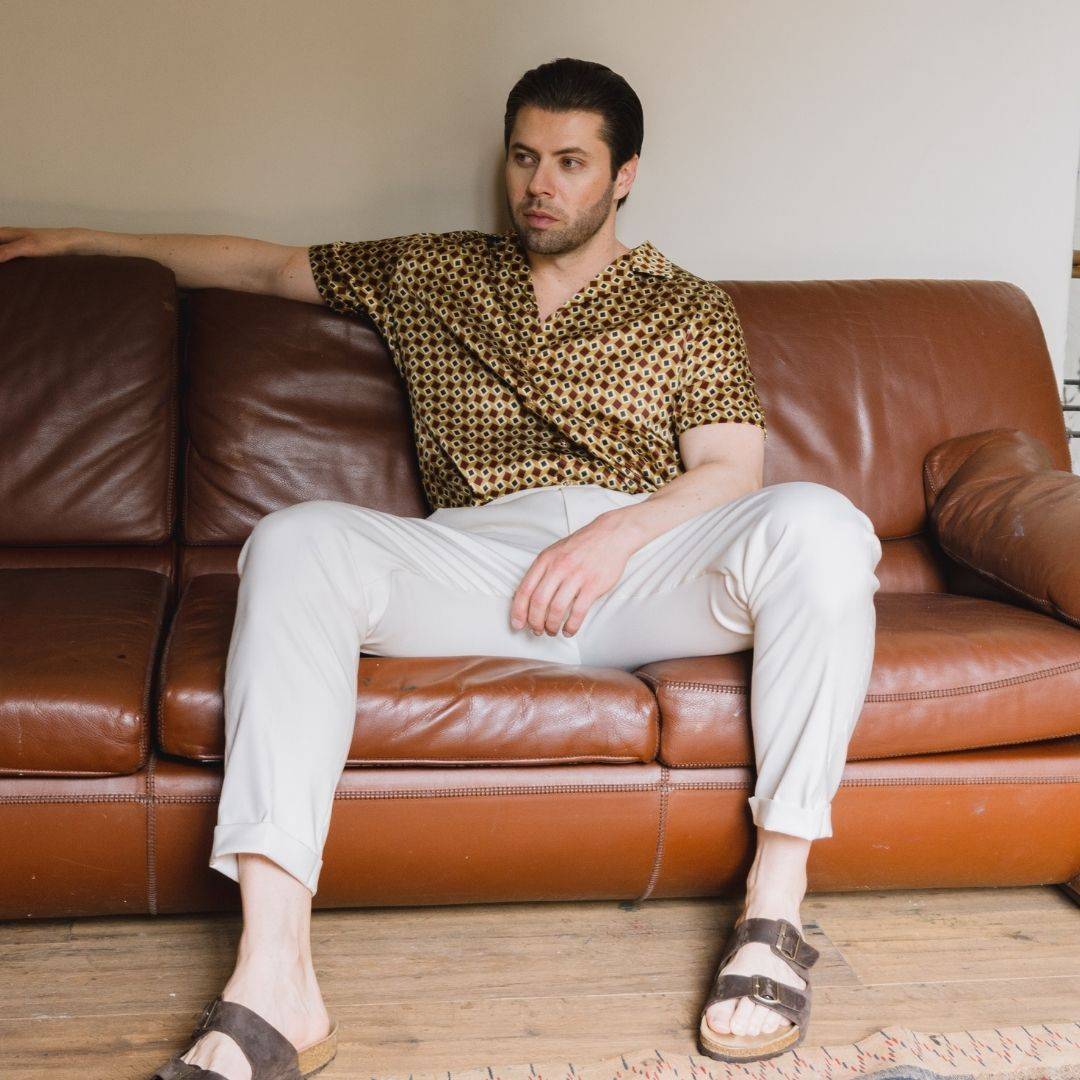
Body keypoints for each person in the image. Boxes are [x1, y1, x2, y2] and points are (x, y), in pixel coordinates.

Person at [0, 56, 881, 1076]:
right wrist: (76, 240)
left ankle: (773, 917)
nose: (538, 185)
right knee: (293, 540)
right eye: (523, 158)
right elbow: (257, 266)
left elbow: (732, 471)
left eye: (569, 162)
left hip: (645, 568)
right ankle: (275, 980)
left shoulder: (687, 307)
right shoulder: (433, 270)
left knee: (821, 523)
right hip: (484, 560)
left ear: (624, 175)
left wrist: (615, 536)